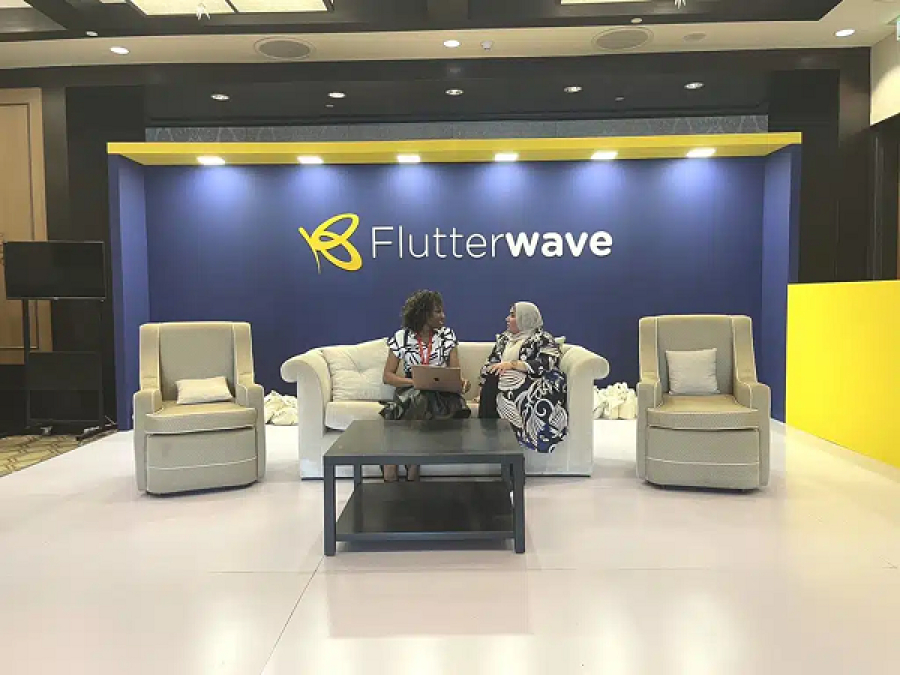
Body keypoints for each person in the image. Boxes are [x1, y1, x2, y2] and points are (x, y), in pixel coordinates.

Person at [381, 290, 471, 482]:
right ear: (424, 314)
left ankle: (396, 462)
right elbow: (387, 376)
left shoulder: (447, 335)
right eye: (438, 312)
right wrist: (415, 382)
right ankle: (413, 465)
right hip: (410, 387)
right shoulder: (402, 337)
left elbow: (454, 372)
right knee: (418, 396)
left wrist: (462, 383)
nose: (443, 316)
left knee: (424, 398)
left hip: (440, 390)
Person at [478, 302, 568, 454]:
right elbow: (491, 363)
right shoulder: (504, 339)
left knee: (502, 376)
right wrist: (481, 386)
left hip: (536, 385)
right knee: (495, 375)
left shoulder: (542, 338)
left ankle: (493, 438)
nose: (507, 319)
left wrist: (512, 365)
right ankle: (489, 437)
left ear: (525, 318)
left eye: (512, 315)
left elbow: (547, 363)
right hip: (502, 383)